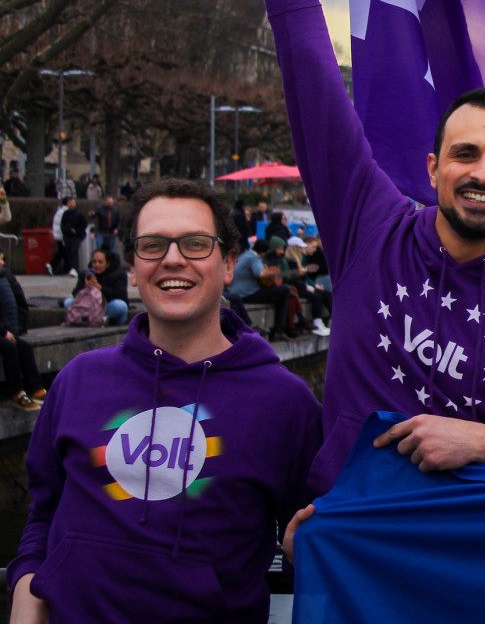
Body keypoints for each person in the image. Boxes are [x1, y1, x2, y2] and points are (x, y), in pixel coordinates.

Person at [247, 0, 485, 501]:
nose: (482, 173)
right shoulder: (368, 229)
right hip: (353, 554)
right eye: (465, 153)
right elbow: (309, 72)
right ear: (432, 168)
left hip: (468, 567)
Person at [7, 178, 321, 622]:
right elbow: (43, 513)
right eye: (152, 245)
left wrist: (306, 554)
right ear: (133, 268)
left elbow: (310, 546)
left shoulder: (286, 404)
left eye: (195, 244)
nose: (173, 260)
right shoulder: (79, 380)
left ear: (229, 263)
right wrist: (25, 586)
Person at [0, 252, 42, 411]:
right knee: (9, 347)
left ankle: (36, 389)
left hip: (4, 330)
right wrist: (3, 331)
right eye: (0, 259)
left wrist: (8, 329)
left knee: (24, 347)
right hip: (2, 332)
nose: (3, 263)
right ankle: (17, 392)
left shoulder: (4, 278)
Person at [228, 239, 293, 340]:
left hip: (238, 291)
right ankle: (279, 330)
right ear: (263, 252)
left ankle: (280, 329)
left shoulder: (246, 254)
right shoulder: (254, 257)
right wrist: (273, 272)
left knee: (281, 291)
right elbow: (260, 274)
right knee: (285, 290)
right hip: (248, 293)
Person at [63, 247, 130, 326]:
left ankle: (94, 319)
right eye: (94, 262)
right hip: (89, 308)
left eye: (100, 262)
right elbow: (75, 294)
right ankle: (96, 320)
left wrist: (100, 288)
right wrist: (85, 288)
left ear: (107, 264)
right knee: (68, 302)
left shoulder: (119, 275)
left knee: (120, 305)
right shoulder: (87, 274)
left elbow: (121, 296)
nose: (97, 265)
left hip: (106, 307)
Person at [58, 196, 85, 278]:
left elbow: (83, 225)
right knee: (68, 252)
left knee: (74, 251)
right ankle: (70, 268)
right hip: (67, 236)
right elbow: (62, 225)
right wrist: (67, 230)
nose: (72, 204)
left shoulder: (79, 214)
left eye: (73, 202)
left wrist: (76, 231)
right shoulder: (65, 214)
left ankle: (75, 268)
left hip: (76, 236)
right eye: (70, 203)